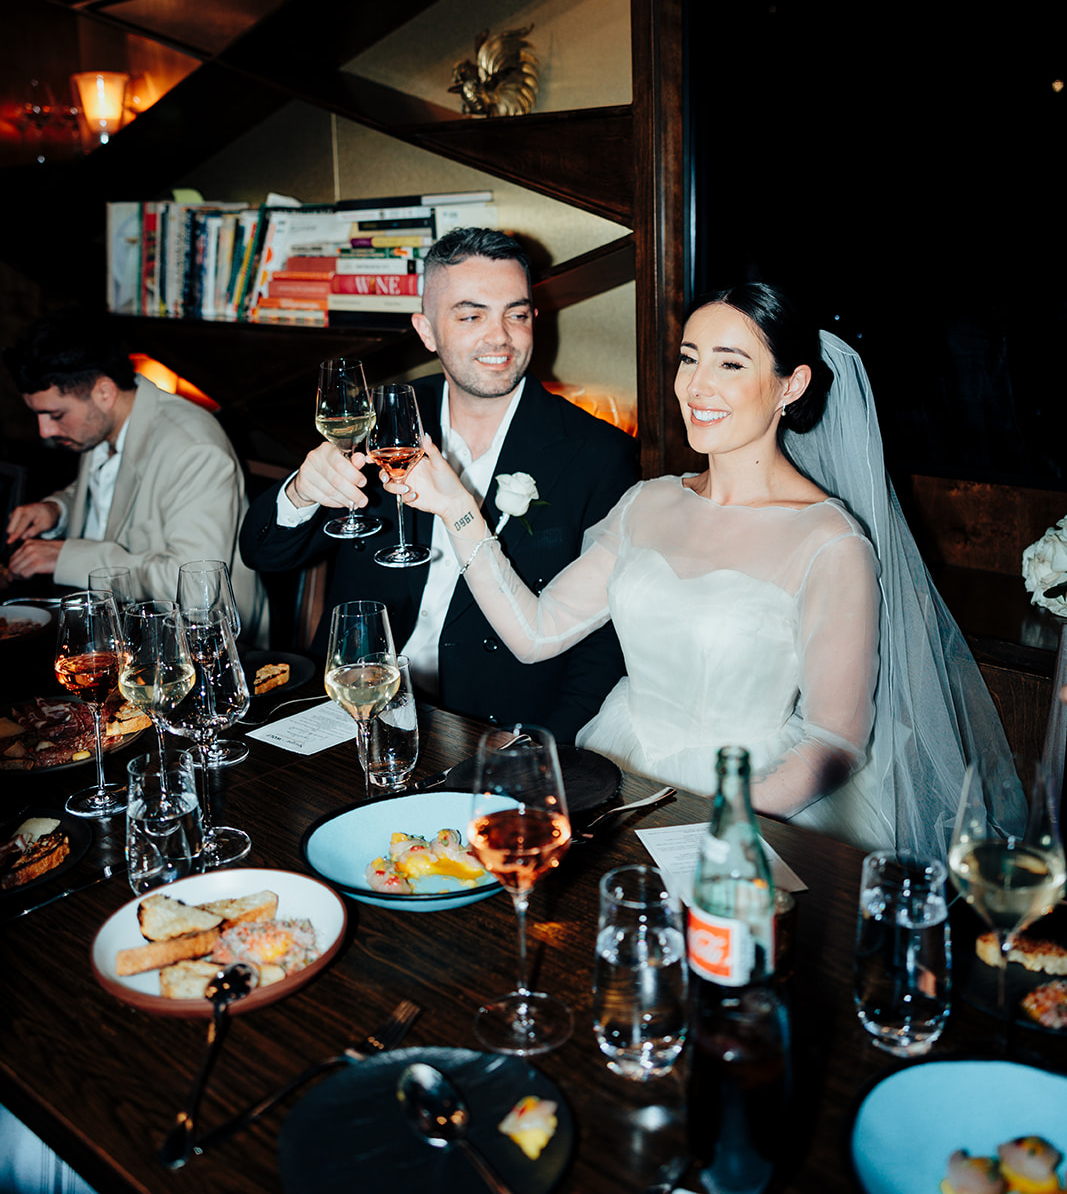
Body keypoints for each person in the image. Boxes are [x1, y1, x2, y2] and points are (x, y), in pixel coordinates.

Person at [380, 280, 1016, 858]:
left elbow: (834, 743)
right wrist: (457, 509)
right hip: (621, 769)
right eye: (689, 358)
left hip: (754, 802)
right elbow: (534, 633)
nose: (696, 386)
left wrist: (718, 823)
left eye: (730, 364)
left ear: (790, 386)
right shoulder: (648, 502)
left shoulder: (830, 542)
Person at [239, 228, 639, 743]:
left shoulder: (598, 453)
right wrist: (300, 492)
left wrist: (542, 748)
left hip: (491, 728)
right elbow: (263, 552)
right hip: (352, 705)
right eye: (471, 316)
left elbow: (603, 641)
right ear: (427, 331)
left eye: (516, 315)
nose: (499, 337)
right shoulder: (375, 422)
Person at [4, 310, 264, 637]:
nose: (44, 431)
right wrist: (57, 509)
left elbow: (199, 590)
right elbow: (109, 493)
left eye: (56, 414)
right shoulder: (100, 423)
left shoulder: (194, 449)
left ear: (104, 392)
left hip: (202, 648)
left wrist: (67, 558)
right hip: (122, 631)